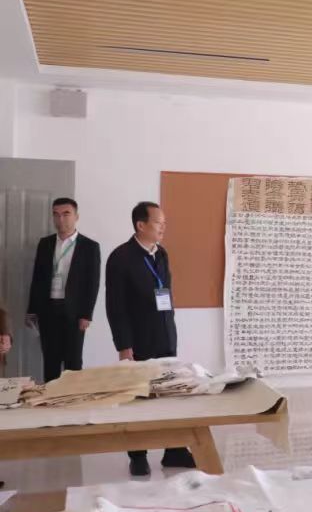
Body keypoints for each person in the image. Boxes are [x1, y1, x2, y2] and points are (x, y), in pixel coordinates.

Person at [106, 201, 196, 476]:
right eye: (158, 222)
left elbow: (165, 291)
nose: (163, 227)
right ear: (141, 225)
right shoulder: (121, 257)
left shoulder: (161, 253)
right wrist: (124, 345)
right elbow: (115, 305)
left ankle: (174, 450)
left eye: (164, 223)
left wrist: (171, 328)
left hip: (165, 334)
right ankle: (138, 454)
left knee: (170, 393)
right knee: (139, 398)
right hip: (138, 339)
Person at [25, 198, 101, 382]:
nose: (60, 219)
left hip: (74, 312)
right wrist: (32, 310)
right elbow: (37, 278)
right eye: (56, 214)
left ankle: (72, 396)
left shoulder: (89, 246)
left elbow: (92, 283)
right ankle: (51, 396)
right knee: (50, 360)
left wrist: (86, 314)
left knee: (73, 362)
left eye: (66, 214)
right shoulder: (45, 243)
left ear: (76, 216)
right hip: (48, 309)